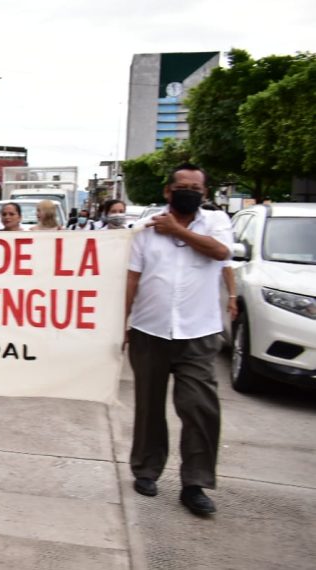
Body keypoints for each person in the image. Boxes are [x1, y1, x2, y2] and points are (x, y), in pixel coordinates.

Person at [125, 163, 233, 516]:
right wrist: (121, 322)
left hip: (198, 334)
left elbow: (220, 253)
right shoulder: (145, 230)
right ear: (168, 192)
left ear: (204, 194)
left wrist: (177, 231)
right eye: (183, 186)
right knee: (148, 406)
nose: (191, 192)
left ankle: (195, 483)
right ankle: (146, 469)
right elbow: (132, 280)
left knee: (199, 406)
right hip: (149, 331)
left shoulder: (216, 223)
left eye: (197, 188)